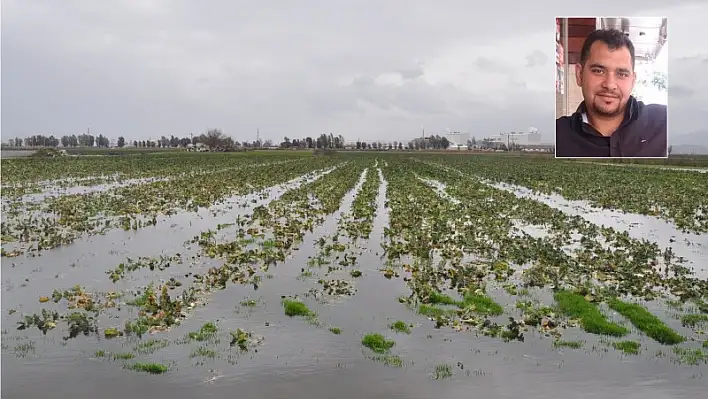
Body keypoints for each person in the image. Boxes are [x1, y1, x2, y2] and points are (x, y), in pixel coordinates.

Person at [555, 29, 667, 157]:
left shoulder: (665, 124)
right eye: (598, 71)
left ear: (632, 81)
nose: (610, 85)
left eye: (622, 74)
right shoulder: (556, 137)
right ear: (579, 74)